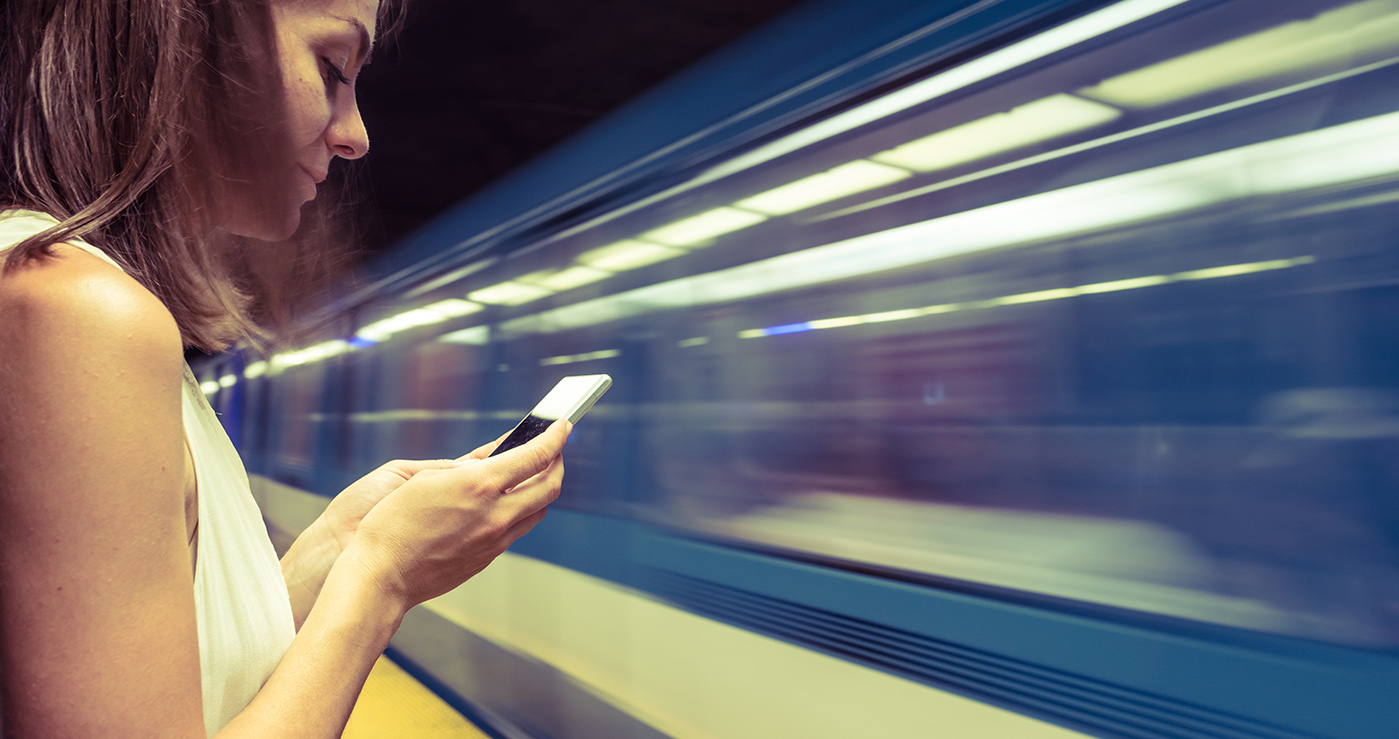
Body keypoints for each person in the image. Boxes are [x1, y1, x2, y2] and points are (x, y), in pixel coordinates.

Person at [0, 0, 570, 736]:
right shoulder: (75, 311)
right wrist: (383, 578)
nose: (357, 135)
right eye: (332, 68)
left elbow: (190, 677)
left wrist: (339, 543)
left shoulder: (62, 290)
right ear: (185, 41)